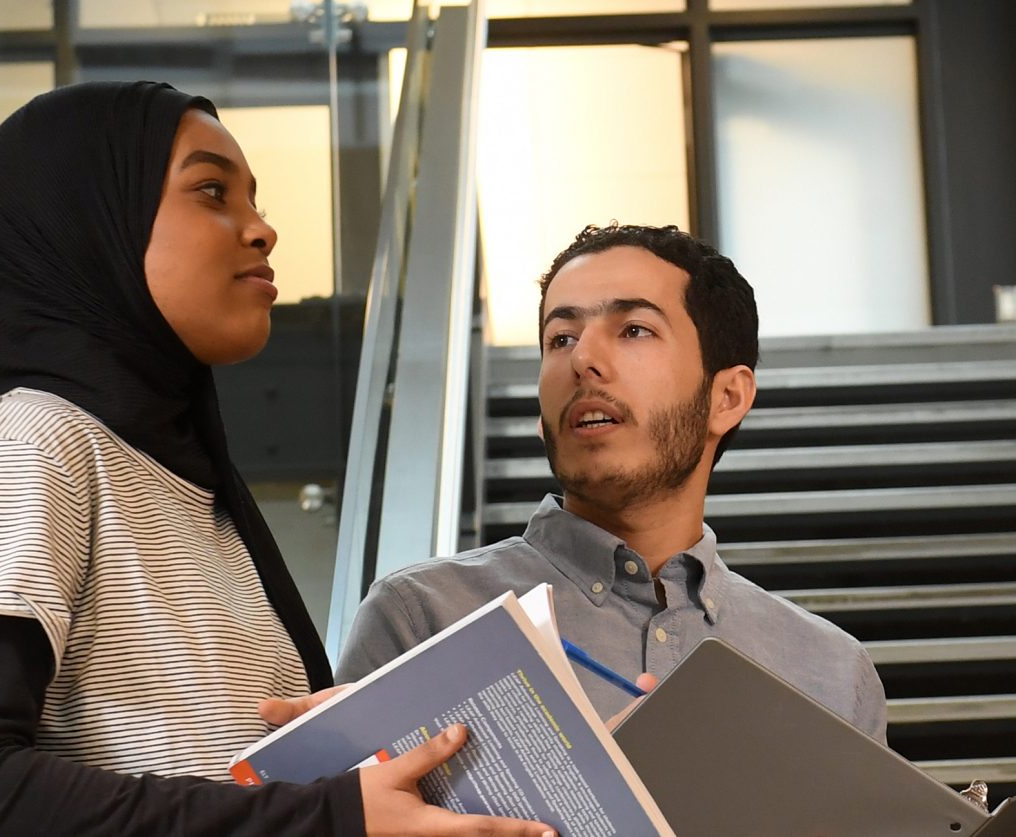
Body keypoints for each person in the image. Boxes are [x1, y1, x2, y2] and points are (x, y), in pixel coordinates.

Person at [0, 81, 556, 837]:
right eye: (211, 191)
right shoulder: (22, 446)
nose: (263, 229)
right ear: (91, 223)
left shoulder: (189, 487)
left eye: (254, 200)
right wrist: (329, 815)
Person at [336, 223, 888, 742]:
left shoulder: (832, 672)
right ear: (543, 417)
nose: (583, 359)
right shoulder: (423, 619)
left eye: (634, 330)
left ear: (726, 398)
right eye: (560, 338)